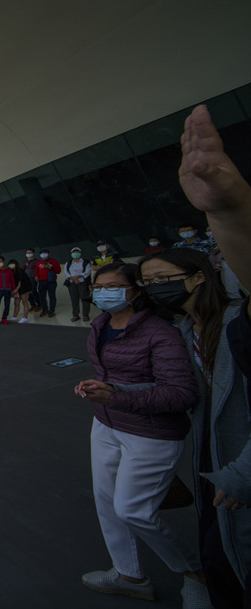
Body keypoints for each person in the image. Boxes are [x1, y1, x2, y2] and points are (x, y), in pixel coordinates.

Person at [137, 103, 251, 608]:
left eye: (164, 281)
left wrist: (230, 212)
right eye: (147, 284)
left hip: (239, 469)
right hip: (213, 464)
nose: (154, 290)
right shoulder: (183, 330)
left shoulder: (236, 324)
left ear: (199, 275)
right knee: (221, 545)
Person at [75, 262, 204, 603]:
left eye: (113, 286)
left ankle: (196, 573)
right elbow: (112, 374)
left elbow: (181, 392)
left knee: (133, 509)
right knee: (106, 503)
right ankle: (130, 575)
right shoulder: (100, 324)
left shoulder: (161, 333)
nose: (103, 292)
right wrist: (100, 390)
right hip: (105, 423)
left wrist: (116, 393)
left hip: (151, 432)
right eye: (98, 287)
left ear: (136, 290)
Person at [65, 247, 93, 322]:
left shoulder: (85, 262)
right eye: (74, 252)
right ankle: (75, 314)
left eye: (77, 252)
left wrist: (78, 277)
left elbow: (87, 272)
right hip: (72, 283)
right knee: (74, 299)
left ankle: (85, 315)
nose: (75, 254)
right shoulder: (69, 263)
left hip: (82, 282)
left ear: (80, 253)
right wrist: (73, 279)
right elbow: (66, 273)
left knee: (84, 298)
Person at [34, 249, 61, 318]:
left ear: (48, 253)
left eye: (45, 253)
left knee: (51, 295)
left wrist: (51, 268)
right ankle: (44, 309)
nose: (43, 254)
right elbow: (36, 271)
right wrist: (36, 276)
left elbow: (58, 271)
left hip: (51, 281)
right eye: (42, 253)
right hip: (42, 281)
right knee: (42, 296)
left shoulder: (53, 261)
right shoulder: (39, 263)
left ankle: (52, 310)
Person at [8, 259, 31, 324]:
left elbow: (21, 281)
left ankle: (25, 317)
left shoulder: (20, 271)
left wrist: (16, 289)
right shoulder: (11, 272)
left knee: (24, 302)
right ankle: (14, 316)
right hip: (16, 289)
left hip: (24, 288)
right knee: (16, 303)